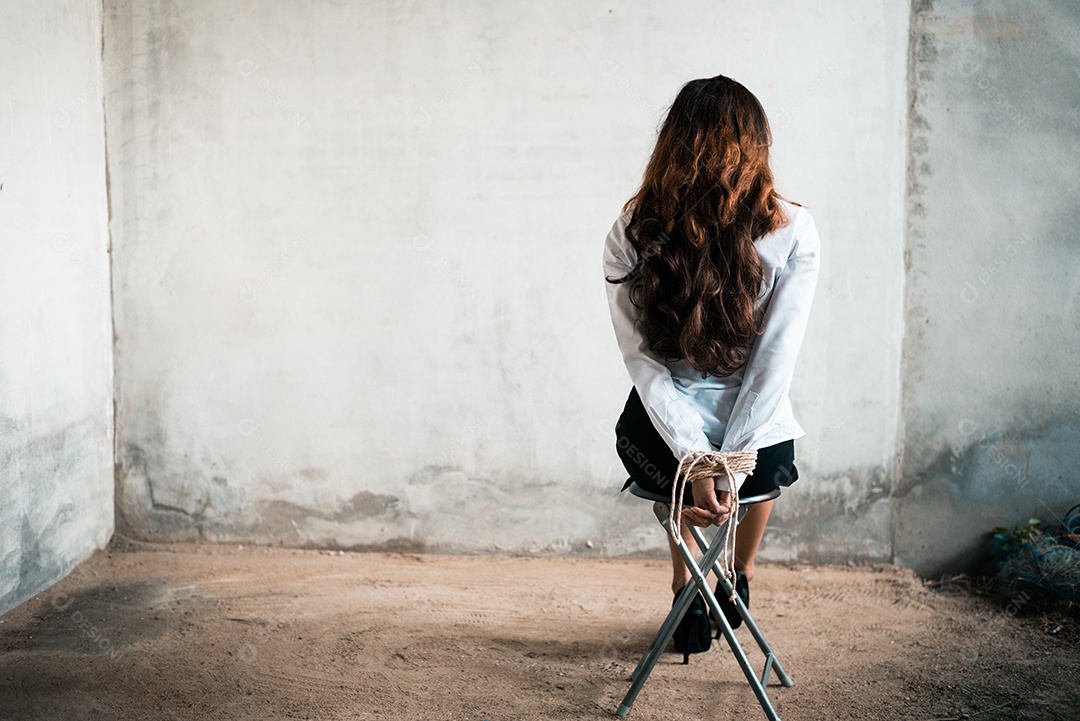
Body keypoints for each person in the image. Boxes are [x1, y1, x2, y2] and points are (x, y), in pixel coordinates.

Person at [603, 74, 819, 662]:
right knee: (773, 449)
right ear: (757, 145)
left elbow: (642, 363)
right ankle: (735, 574)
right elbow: (773, 364)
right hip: (756, 444)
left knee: (667, 458)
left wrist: (704, 463)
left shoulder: (628, 229)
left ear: (671, 144)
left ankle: (688, 580)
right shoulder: (795, 227)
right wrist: (728, 462)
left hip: (656, 438)